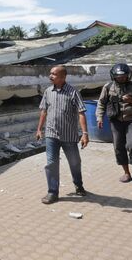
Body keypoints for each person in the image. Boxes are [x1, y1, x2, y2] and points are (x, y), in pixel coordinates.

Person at [36, 65, 89, 204]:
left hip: (69, 136)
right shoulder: (48, 91)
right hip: (51, 134)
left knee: (75, 163)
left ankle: (78, 184)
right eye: (50, 73)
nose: (50, 76)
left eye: (54, 74)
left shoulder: (73, 92)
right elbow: (43, 111)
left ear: (63, 77)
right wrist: (39, 129)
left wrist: (84, 133)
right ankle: (52, 192)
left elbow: (81, 113)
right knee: (52, 163)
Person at [96, 63, 132, 183]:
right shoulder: (108, 87)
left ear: (128, 75)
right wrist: (99, 117)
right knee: (119, 147)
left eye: (124, 76)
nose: (121, 78)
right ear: (113, 76)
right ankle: (126, 173)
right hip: (116, 121)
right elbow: (101, 103)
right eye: (118, 76)